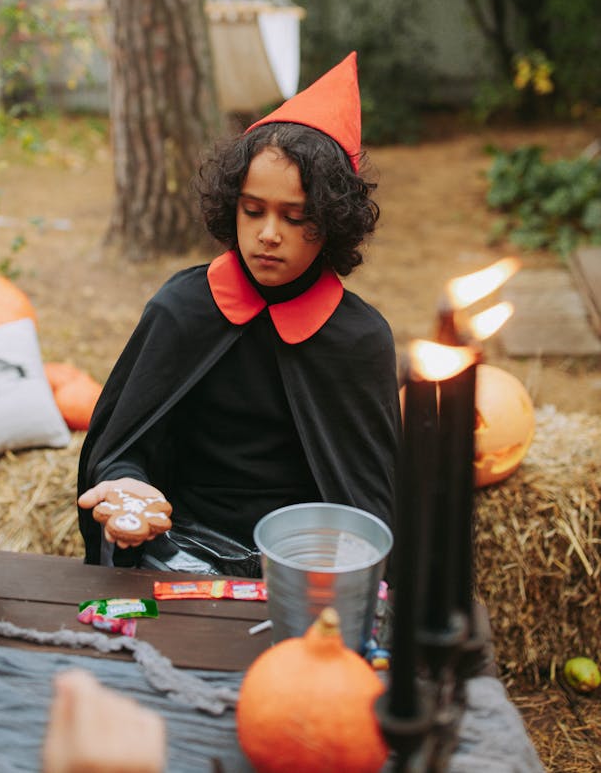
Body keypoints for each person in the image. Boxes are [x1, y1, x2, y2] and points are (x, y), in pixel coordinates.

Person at [77, 52, 401, 571]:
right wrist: (126, 486)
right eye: (253, 210)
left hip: (303, 562)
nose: (268, 234)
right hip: (181, 547)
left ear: (334, 222)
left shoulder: (358, 340)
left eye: (295, 217)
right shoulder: (182, 309)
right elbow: (124, 446)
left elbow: (369, 505)